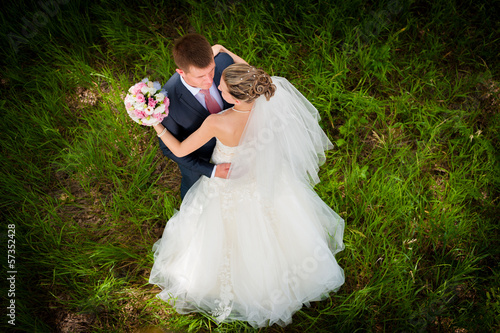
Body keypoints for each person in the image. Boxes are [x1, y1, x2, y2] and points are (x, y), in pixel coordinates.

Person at [149, 63, 345, 328]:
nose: (216, 87)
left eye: (223, 89)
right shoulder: (269, 103)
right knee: (276, 226)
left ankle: (233, 287)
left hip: (227, 186)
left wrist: (157, 126)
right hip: (265, 180)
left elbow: (182, 150)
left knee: (224, 232)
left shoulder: (218, 122)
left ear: (235, 97)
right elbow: (251, 76)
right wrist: (220, 50)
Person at [159, 33, 246, 198]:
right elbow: (168, 148)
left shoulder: (224, 63)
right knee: (193, 190)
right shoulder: (167, 102)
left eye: (211, 69)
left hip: (234, 147)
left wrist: (220, 49)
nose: (209, 79)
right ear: (181, 72)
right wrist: (212, 170)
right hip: (198, 156)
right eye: (200, 76)